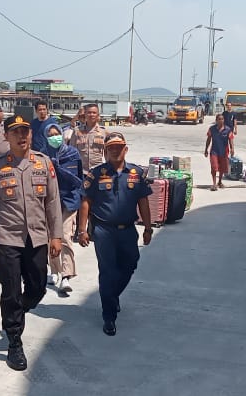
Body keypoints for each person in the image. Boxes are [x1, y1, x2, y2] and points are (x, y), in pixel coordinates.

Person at [0, 115, 63, 371]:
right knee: (11, 290)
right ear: (6, 136)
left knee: (37, 288)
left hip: (37, 237)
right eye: (15, 132)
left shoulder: (43, 163)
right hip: (7, 238)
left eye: (25, 131)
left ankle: (15, 314)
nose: (21, 136)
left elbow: (52, 202)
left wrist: (56, 235)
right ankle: (14, 341)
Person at [76, 132, 152, 337]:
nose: (115, 150)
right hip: (103, 231)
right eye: (111, 148)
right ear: (105, 151)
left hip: (128, 230)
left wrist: (148, 227)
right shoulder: (95, 174)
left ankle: (112, 296)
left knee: (130, 265)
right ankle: (108, 316)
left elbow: (143, 202)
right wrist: (82, 230)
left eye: (119, 147)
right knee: (108, 272)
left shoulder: (137, 173)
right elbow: (85, 202)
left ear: (125, 149)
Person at [41, 124, 84, 293]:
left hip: (69, 200)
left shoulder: (72, 153)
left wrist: (58, 168)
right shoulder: (42, 155)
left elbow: (78, 179)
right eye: (50, 135)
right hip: (49, 201)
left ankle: (66, 275)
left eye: (56, 134)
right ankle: (54, 270)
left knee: (65, 236)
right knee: (50, 237)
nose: (54, 137)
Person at [68, 103, 109, 173]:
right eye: (89, 112)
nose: (91, 115)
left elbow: (107, 153)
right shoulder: (77, 131)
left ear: (98, 115)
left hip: (98, 170)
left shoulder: (104, 132)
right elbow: (71, 151)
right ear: (85, 114)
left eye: (94, 113)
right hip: (81, 171)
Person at [203, 114, 234, 191]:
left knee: (222, 168)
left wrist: (232, 149)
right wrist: (206, 149)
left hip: (224, 152)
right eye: (219, 119)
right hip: (214, 151)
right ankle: (214, 184)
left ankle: (219, 181)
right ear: (216, 120)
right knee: (214, 167)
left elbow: (231, 140)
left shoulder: (228, 129)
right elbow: (209, 139)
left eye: (222, 119)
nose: (221, 121)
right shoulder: (212, 129)